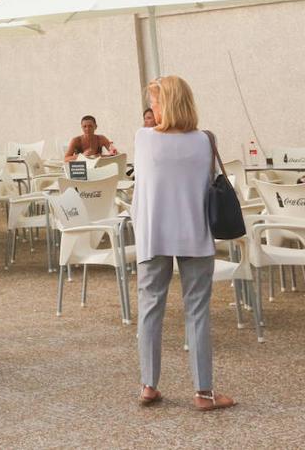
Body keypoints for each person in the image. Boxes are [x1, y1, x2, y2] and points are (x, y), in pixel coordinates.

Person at [132, 76, 234, 411]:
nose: (153, 109)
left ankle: (149, 385)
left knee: (150, 309)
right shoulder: (206, 140)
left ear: (167, 104)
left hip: (153, 234)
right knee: (197, 312)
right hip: (195, 233)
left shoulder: (144, 139)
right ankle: (204, 393)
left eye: (155, 102)